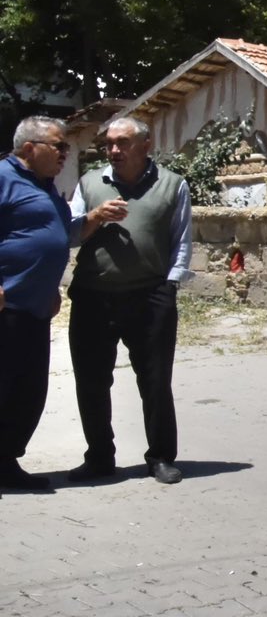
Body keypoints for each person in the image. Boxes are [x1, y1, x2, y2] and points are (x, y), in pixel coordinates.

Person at [66, 116, 193, 485]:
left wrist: (169, 286)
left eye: (122, 143)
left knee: (155, 381)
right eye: (109, 144)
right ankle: (100, 458)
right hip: (93, 296)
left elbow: (181, 240)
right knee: (91, 381)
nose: (114, 150)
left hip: (150, 297)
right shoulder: (90, 183)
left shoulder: (172, 185)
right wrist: (95, 217)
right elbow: (72, 235)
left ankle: (160, 458)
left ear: (145, 145)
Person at [1, 118, 81, 492]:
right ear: (29, 148)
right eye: (58, 146)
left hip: (35, 309)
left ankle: (5, 462)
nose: (65, 153)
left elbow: (52, 239)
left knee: (27, 391)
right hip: (5, 306)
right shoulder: (3, 177)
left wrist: (48, 285)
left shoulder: (47, 187)